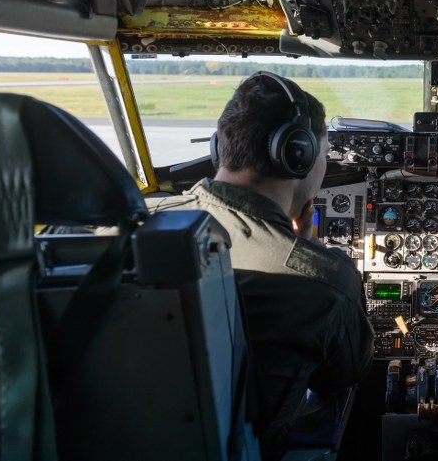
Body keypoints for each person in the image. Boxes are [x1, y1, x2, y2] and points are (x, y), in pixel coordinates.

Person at [148, 71, 374, 459]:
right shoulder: (322, 279)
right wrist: (313, 253)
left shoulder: (125, 222)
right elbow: (347, 373)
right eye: (324, 152)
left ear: (219, 147)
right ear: (297, 153)